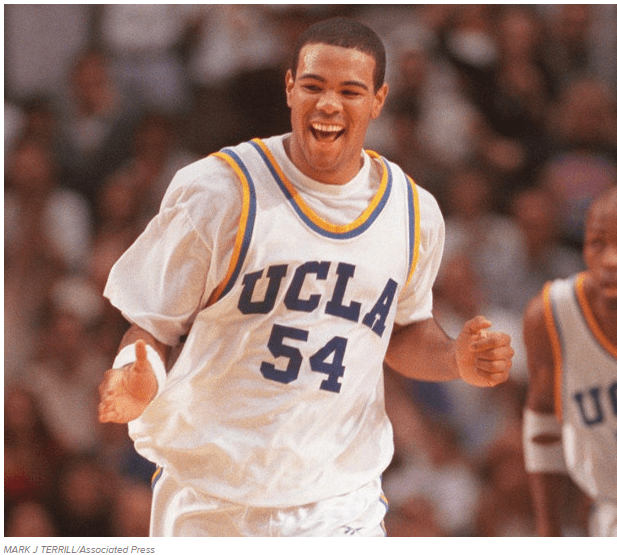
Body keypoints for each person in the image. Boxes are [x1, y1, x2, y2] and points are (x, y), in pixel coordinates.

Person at [97, 17, 513, 537]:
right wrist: (139, 379)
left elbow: (402, 331)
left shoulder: (413, 212)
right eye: (314, 86)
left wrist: (454, 358)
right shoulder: (219, 191)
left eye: (350, 91)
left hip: (339, 503)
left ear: (379, 100)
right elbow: (151, 327)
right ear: (290, 87)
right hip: (212, 499)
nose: (329, 104)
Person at [522, 183, 617, 536]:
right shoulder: (551, 315)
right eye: (597, 243)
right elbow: (543, 422)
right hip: (613, 516)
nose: (610, 260)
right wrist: (548, 529)